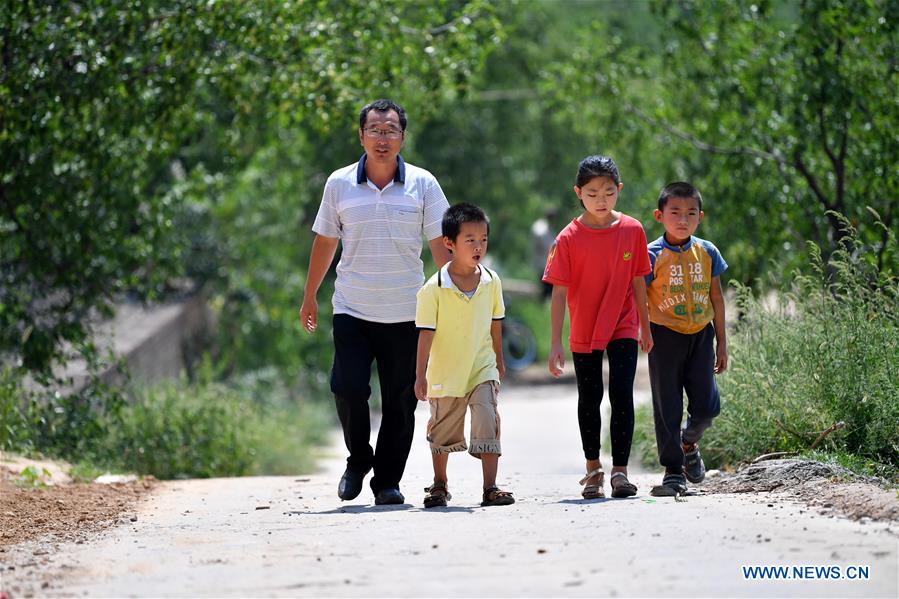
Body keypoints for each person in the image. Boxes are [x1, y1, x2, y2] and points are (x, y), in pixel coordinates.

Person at [299, 99, 452, 505]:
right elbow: (326, 241)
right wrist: (309, 295)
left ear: (402, 137)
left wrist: (453, 304)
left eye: (390, 131)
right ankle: (358, 459)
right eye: (374, 130)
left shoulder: (424, 184)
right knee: (346, 388)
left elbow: (441, 247)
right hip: (352, 308)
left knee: (401, 402)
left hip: (407, 312)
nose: (382, 139)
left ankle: (387, 481)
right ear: (361, 135)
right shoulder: (339, 184)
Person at [543, 155, 653, 499]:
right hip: (585, 327)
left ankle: (620, 471)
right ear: (578, 193)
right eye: (592, 193)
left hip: (623, 323)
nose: (601, 200)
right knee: (589, 398)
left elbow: (638, 282)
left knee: (622, 394)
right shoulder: (568, 238)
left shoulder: (633, 230)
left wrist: (645, 328)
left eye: (608, 191)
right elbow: (558, 293)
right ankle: (593, 470)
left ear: (619, 190)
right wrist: (555, 343)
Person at [414, 203, 515, 508]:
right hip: (445, 372)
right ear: (449, 243)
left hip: (480, 366)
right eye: (469, 239)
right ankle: (440, 485)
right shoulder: (433, 289)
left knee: (487, 416)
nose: (478, 246)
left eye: (483, 239)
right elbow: (425, 334)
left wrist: (498, 360)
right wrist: (420, 374)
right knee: (442, 429)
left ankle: (490, 487)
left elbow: (496, 323)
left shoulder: (491, 281)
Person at [645, 181, 728, 497]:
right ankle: (672, 472)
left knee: (707, 406)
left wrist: (722, 341)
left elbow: (717, 299)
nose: (683, 219)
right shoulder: (651, 255)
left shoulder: (707, 251)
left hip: (701, 336)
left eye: (690, 213)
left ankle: (689, 441)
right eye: (675, 212)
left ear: (700, 216)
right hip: (663, 336)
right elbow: (639, 297)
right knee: (667, 405)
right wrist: (642, 331)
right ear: (659, 215)